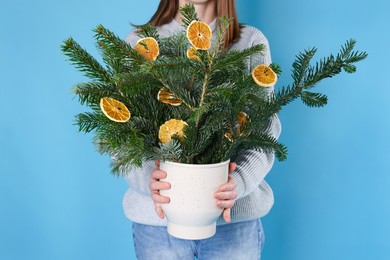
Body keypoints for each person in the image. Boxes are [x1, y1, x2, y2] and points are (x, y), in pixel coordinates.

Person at [122, 0, 281, 259]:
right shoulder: (141, 44)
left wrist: (238, 183)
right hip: (158, 228)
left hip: (233, 227)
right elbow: (122, 134)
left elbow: (263, 134)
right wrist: (150, 177)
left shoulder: (250, 43)